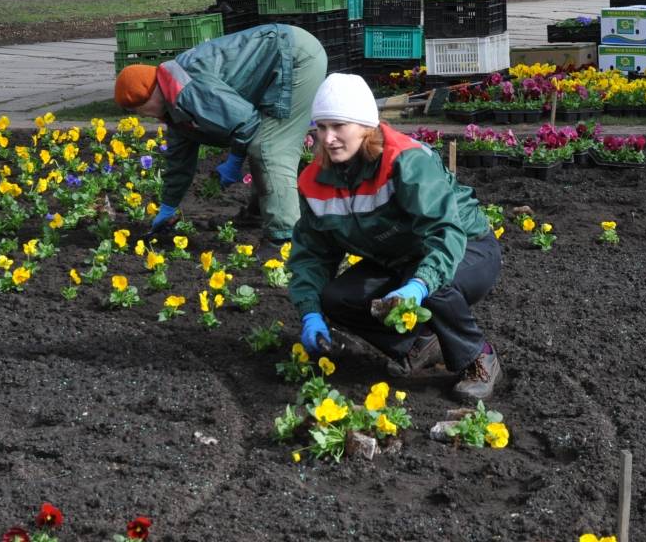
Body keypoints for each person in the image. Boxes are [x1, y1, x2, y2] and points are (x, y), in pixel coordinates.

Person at [287, 73, 503, 402]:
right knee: (336, 298)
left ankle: (479, 357)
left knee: (434, 284)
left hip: (466, 248)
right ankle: (420, 344)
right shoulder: (314, 181)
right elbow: (313, 254)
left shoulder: (404, 161)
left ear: (365, 126)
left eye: (339, 126)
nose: (328, 138)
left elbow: (444, 232)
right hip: (398, 260)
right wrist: (310, 313)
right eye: (321, 127)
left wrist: (419, 285)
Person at [115, 24, 327, 255]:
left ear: (149, 93)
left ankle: (285, 240)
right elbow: (179, 161)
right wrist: (168, 206)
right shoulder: (172, 100)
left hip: (293, 57)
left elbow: (247, 124)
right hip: (279, 59)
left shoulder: (188, 89)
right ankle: (258, 214)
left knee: (268, 148)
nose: (142, 116)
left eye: (139, 109)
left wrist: (234, 161)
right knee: (263, 145)